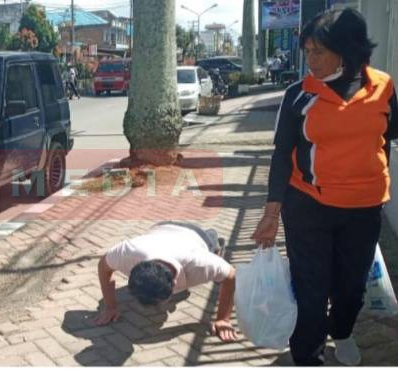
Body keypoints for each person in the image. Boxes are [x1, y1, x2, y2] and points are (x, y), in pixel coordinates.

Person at [251, 8, 398, 366]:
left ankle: (343, 332)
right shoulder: (299, 95)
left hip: (364, 210)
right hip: (309, 209)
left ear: (346, 50)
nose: (309, 60)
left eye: (318, 51)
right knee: (311, 291)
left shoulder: (384, 88)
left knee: (350, 289)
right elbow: (282, 155)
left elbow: (387, 139)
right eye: (306, 51)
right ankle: (308, 355)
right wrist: (271, 213)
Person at [95, 221, 237, 342]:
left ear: (174, 285)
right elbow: (103, 266)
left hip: (196, 235)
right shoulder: (127, 253)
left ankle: (215, 241)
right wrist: (110, 306)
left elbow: (231, 275)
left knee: (212, 245)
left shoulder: (201, 264)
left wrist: (223, 319)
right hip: (160, 227)